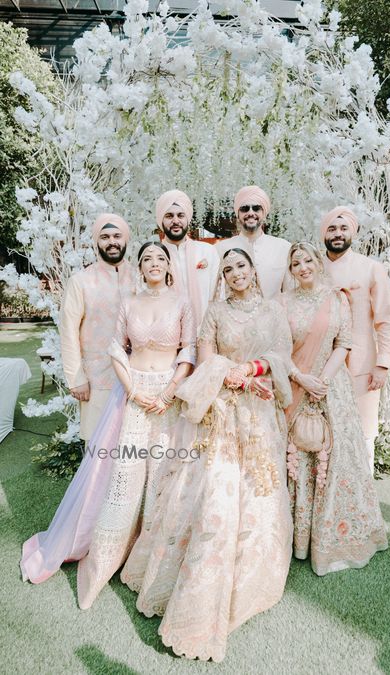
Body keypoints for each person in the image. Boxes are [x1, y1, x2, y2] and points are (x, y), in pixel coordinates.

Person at [120, 248, 294, 663]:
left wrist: (249, 370)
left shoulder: (272, 310)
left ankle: (249, 577)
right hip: (219, 409)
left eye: (241, 266)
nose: (235, 273)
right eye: (228, 268)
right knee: (214, 492)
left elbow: (282, 355)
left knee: (258, 491)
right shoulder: (214, 311)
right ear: (222, 276)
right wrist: (225, 373)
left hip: (258, 409)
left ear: (253, 270)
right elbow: (205, 353)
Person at [21, 243, 196, 600]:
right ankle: (105, 560)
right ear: (141, 266)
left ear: (168, 265)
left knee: (162, 474)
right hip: (133, 395)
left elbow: (188, 350)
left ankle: (151, 561)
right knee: (124, 475)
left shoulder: (182, 302)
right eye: (146, 259)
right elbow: (117, 347)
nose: (153, 264)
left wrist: (169, 392)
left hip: (167, 399)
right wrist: (132, 390)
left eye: (159, 258)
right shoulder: (129, 302)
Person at [283, 242, 388, 576]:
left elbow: (344, 342)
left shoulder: (337, 298)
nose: (303, 267)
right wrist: (301, 378)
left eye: (308, 260)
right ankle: (295, 539)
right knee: (295, 457)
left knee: (335, 456)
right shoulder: (281, 303)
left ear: (318, 262)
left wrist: (322, 381)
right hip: (296, 385)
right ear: (291, 270)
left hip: (331, 387)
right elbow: (275, 347)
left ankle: (329, 537)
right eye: (296, 262)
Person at [320, 207, 390, 472]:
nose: (338, 234)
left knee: (362, 435)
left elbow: (385, 319)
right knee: (323, 434)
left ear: (353, 232)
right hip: (319, 365)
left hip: (361, 366)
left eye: (343, 229)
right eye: (332, 228)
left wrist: (383, 364)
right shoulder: (312, 268)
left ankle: (363, 507)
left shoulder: (371, 268)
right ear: (324, 234)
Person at [59, 213, 135, 442]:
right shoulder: (80, 281)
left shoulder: (141, 276)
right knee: (98, 444)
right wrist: (76, 377)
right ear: (96, 242)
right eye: (105, 236)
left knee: (132, 442)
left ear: (126, 240)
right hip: (96, 378)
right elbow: (68, 332)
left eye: (117, 236)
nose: (112, 241)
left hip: (138, 376)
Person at [156, 189, 219, 331]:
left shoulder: (208, 251)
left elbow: (218, 296)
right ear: (161, 220)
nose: (175, 221)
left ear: (187, 219)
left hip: (206, 335)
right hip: (167, 338)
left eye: (180, 215)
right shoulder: (154, 257)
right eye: (169, 216)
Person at [215, 185, 291, 299]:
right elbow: (217, 292)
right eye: (245, 209)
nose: (250, 213)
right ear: (237, 214)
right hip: (233, 315)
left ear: (264, 213)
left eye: (256, 208)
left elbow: (290, 294)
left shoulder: (284, 247)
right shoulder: (220, 249)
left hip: (274, 315)